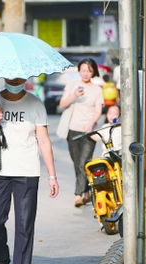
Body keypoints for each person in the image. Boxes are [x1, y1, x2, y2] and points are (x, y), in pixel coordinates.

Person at [0, 78, 59, 264]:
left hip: (27, 172)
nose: (16, 80)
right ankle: (1, 258)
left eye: (20, 77)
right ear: (4, 77)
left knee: (24, 225)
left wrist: (52, 175)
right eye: (12, 76)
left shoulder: (35, 103)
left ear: (25, 78)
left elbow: (44, 140)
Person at [59, 58, 104, 208]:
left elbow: (98, 110)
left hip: (88, 132)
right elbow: (62, 104)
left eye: (89, 70)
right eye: (83, 70)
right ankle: (86, 192)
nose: (85, 73)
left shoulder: (97, 89)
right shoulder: (72, 86)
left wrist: (91, 123)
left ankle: (78, 194)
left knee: (85, 162)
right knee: (77, 162)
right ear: (79, 71)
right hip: (72, 129)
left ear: (93, 72)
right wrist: (74, 96)